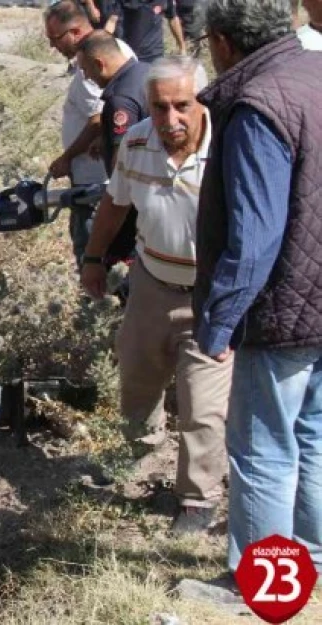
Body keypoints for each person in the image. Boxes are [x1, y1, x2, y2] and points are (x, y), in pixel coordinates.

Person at [194, 0, 322, 574]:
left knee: (263, 449)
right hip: (315, 297)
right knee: (314, 436)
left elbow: (254, 235)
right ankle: (311, 561)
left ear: (222, 42)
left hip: (284, 307)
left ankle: (258, 587)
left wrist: (221, 318)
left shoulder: (257, 104)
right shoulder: (313, 75)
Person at [81, 56, 229, 534]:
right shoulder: (138, 140)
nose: (170, 119)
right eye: (160, 106)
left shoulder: (229, 144)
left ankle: (197, 498)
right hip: (150, 283)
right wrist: (93, 258)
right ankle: (137, 456)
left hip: (211, 295)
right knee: (138, 382)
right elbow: (115, 203)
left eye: (181, 106)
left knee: (202, 407)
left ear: (200, 101)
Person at [45, 0, 135, 267]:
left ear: (75, 31)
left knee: (94, 256)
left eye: (55, 38)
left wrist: (67, 157)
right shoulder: (113, 48)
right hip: (102, 177)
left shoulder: (92, 65)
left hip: (96, 183)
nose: (52, 46)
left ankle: (96, 303)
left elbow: (98, 118)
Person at [78, 30, 151, 270]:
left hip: (133, 213)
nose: (87, 77)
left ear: (99, 63)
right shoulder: (144, 72)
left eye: (86, 70)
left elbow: (123, 168)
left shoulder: (120, 99)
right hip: (153, 199)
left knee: (122, 279)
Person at [102, 0, 186, 62]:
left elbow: (173, 19)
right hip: (130, 53)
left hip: (155, 53)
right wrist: (103, 45)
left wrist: (182, 47)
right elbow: (112, 21)